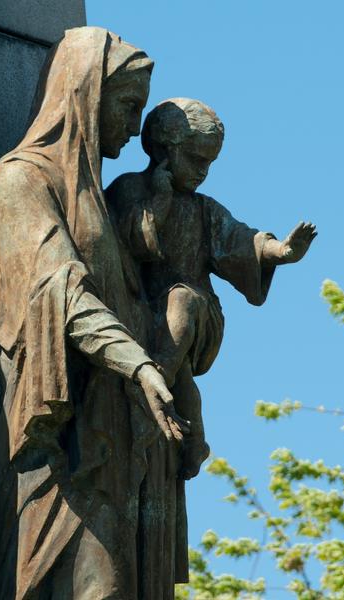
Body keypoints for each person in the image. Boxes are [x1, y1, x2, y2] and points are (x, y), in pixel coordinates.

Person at [0, 28, 188, 599]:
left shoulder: (103, 198)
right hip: (65, 452)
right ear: (84, 95)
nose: (132, 127)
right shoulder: (20, 180)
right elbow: (61, 293)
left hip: (117, 442)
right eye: (126, 106)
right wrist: (140, 366)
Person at [106, 98, 317, 480]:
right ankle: (195, 441)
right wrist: (161, 199)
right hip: (143, 312)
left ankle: (151, 385)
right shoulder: (128, 189)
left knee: (181, 304)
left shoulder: (204, 210)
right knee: (180, 369)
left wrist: (280, 251)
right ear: (165, 151)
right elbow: (131, 240)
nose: (203, 172)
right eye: (196, 159)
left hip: (199, 313)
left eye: (210, 163)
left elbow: (240, 240)